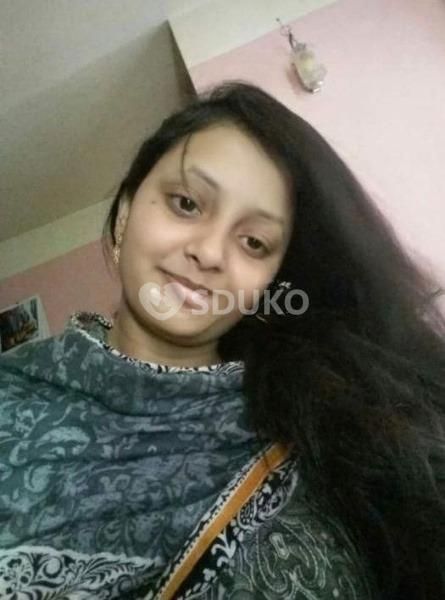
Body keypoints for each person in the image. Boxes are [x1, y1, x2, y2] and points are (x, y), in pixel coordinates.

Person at [0, 81, 444, 600]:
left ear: (270, 282)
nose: (210, 253)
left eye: (254, 242)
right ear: (124, 212)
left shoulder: (320, 416)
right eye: (186, 203)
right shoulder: (14, 392)